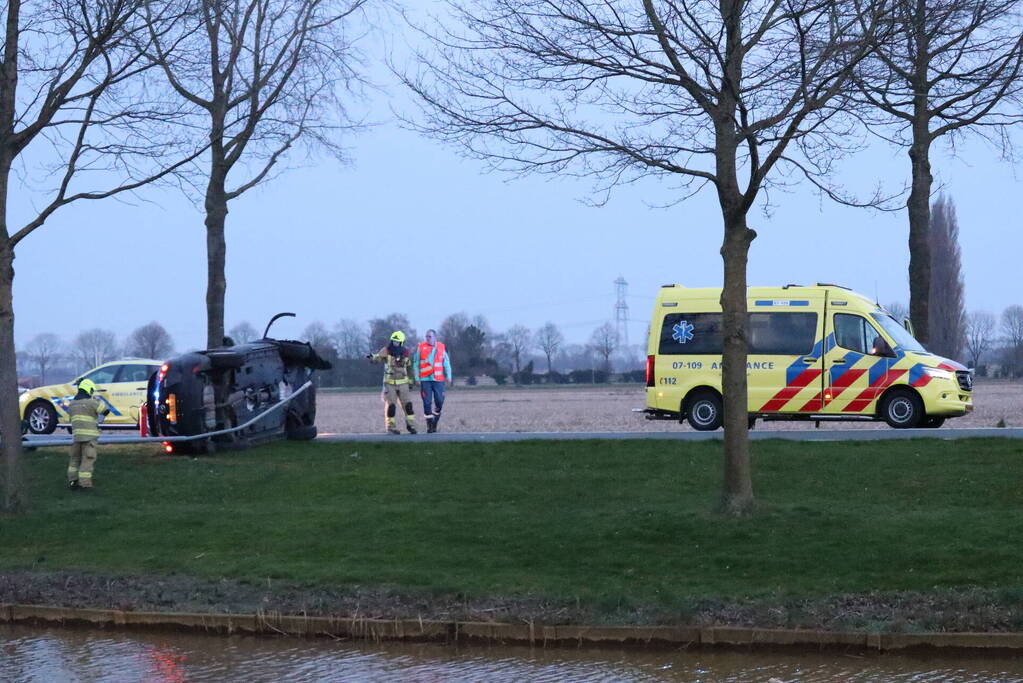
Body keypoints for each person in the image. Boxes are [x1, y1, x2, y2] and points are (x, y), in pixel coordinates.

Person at [368, 331, 418, 435]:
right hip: (390, 383)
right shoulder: (386, 350)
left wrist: (411, 381)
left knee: (408, 406)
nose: (395, 343)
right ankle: (391, 428)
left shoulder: (406, 353)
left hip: (403, 383)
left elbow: (409, 368)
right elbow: (378, 357)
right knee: (391, 407)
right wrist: (372, 358)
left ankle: (411, 426)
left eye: (397, 342)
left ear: (401, 342)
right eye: (394, 341)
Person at [66, 379, 110, 490]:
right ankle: (85, 484)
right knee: (87, 459)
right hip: (89, 438)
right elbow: (105, 411)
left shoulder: (72, 404)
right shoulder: (91, 402)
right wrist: (98, 401)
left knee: (74, 459)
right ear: (89, 389)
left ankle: (73, 482)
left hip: (77, 437)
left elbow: (70, 420)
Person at [413, 329, 452, 433]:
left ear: (435, 337)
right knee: (427, 402)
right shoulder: (421, 347)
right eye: (426, 337)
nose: (427, 338)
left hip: (438, 380)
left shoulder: (441, 347)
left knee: (439, 401)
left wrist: (449, 375)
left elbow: (446, 363)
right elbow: (416, 364)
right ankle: (429, 425)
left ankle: (435, 420)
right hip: (425, 380)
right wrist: (417, 378)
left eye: (429, 336)